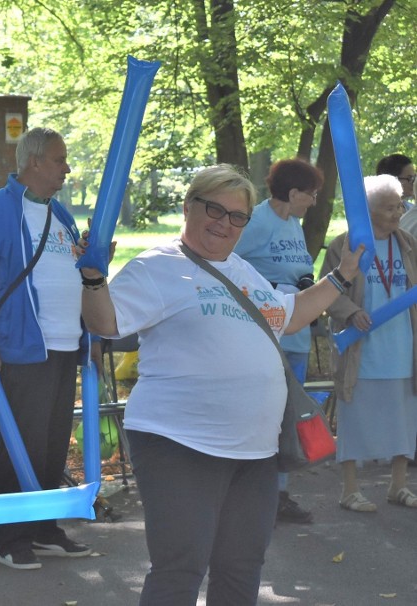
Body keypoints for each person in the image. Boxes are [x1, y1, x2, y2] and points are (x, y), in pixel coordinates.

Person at [79, 164, 361, 605]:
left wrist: (342, 274)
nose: (224, 223)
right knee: (179, 568)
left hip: (256, 451)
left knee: (241, 568)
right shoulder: (157, 266)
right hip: (179, 443)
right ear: (190, 206)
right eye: (214, 209)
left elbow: (291, 315)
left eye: (237, 217)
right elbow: (105, 322)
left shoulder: (243, 271)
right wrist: (93, 278)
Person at [0, 127, 93, 571]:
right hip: (21, 347)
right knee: (20, 445)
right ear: (33, 162)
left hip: (65, 344)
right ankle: (10, 536)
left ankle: (45, 527)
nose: (66, 168)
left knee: (53, 444)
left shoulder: (62, 215)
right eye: (59, 159)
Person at [233, 158, 323, 524]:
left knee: (288, 418)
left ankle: (279, 494)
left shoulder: (294, 226)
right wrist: (270, 289)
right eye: (311, 194)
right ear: (293, 192)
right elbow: (230, 263)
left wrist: (305, 282)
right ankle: (248, 494)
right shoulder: (257, 221)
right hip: (264, 334)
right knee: (260, 415)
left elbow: (299, 267)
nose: (314, 201)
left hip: (296, 333)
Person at [321, 174, 417, 512]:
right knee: (355, 419)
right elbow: (328, 292)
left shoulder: (408, 242)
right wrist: (349, 312)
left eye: (400, 205)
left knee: (404, 418)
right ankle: (350, 490)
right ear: (369, 212)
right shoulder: (345, 245)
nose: (398, 212)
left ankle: (398, 486)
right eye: (390, 208)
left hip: (403, 346)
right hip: (360, 350)